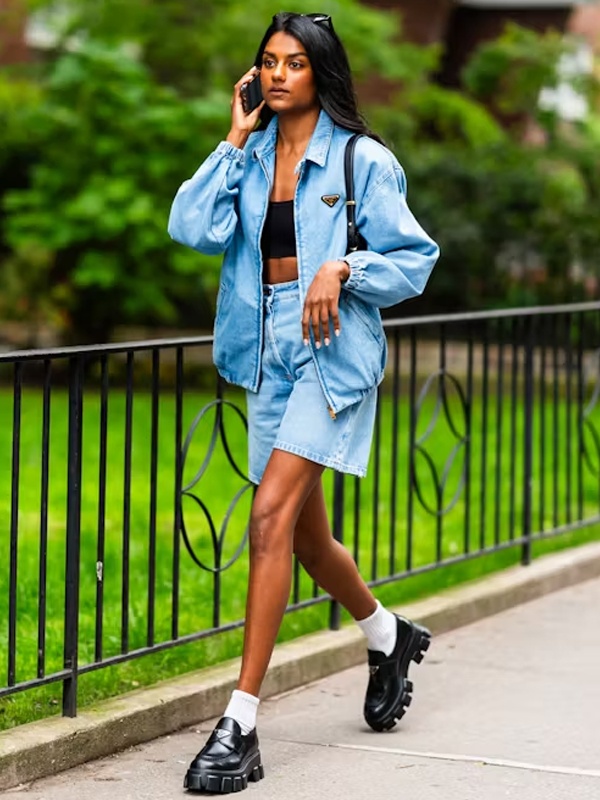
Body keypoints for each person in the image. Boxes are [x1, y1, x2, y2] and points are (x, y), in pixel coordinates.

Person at [168, 11, 439, 794]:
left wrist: (345, 269)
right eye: (268, 62)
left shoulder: (363, 160)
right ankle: (390, 636)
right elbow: (189, 227)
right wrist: (231, 137)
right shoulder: (249, 160)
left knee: (266, 522)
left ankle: (240, 724)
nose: (280, 73)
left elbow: (414, 260)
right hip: (266, 355)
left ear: (321, 71)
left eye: (295, 62)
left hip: (331, 356)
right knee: (308, 541)